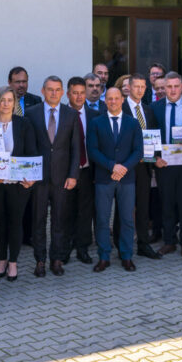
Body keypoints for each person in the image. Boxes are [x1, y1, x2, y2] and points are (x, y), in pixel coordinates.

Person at [26, 76, 81, 277]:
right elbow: (28, 146)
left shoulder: (70, 114)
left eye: (58, 89)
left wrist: (73, 175)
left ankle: (56, 259)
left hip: (62, 177)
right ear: (43, 91)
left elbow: (76, 148)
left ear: (63, 92)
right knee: (38, 220)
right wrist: (28, 173)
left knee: (60, 220)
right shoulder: (31, 113)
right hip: (38, 177)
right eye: (50, 89)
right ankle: (40, 260)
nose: (54, 93)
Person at [84, 87, 141, 272]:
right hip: (104, 178)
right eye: (109, 98)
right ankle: (104, 256)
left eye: (116, 98)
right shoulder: (96, 122)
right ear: (105, 100)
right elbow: (92, 150)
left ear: (122, 100)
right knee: (102, 219)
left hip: (127, 178)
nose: (113, 101)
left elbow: (138, 151)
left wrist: (123, 168)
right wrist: (112, 166)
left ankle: (126, 256)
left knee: (127, 219)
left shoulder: (133, 123)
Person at [0, 86, 38, 281]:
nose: (6, 104)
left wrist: (31, 177)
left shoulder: (24, 124)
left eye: (10, 100)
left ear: (14, 103)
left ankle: (13, 262)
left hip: (18, 184)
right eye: (2, 100)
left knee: (16, 223)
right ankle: (2, 259)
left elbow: (31, 152)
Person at [151, 72, 182, 257]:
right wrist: (154, 159)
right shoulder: (154, 107)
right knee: (166, 203)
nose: (172, 90)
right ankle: (169, 241)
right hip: (164, 163)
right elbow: (149, 134)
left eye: (176, 86)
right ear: (164, 88)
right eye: (169, 87)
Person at [122, 74, 162, 260]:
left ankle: (143, 244)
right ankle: (122, 245)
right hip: (126, 167)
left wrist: (155, 158)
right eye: (136, 86)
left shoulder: (148, 110)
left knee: (143, 207)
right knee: (124, 208)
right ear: (129, 87)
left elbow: (153, 137)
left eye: (142, 87)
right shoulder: (120, 108)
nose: (139, 90)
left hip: (145, 166)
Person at [65, 76, 101, 264]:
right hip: (66, 172)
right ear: (68, 94)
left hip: (87, 170)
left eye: (82, 93)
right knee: (66, 211)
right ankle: (65, 248)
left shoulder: (94, 115)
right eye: (75, 93)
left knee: (85, 211)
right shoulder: (61, 114)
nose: (79, 97)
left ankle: (82, 248)